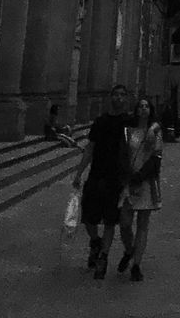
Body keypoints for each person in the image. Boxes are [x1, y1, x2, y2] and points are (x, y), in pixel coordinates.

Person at [72, 84, 131, 280]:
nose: (119, 98)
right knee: (88, 218)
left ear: (127, 99)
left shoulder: (129, 123)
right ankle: (95, 242)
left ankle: (103, 257)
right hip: (97, 175)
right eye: (116, 95)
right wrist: (79, 172)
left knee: (110, 221)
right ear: (111, 98)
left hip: (116, 178)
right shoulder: (100, 122)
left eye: (123, 95)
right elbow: (90, 147)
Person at [117, 95, 163, 283]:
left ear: (150, 110)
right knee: (125, 223)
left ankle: (136, 264)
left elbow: (156, 157)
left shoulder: (155, 130)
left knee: (143, 225)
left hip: (146, 182)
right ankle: (129, 250)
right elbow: (123, 153)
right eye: (140, 106)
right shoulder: (129, 131)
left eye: (146, 106)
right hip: (129, 181)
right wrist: (127, 174)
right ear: (136, 110)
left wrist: (140, 176)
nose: (143, 109)